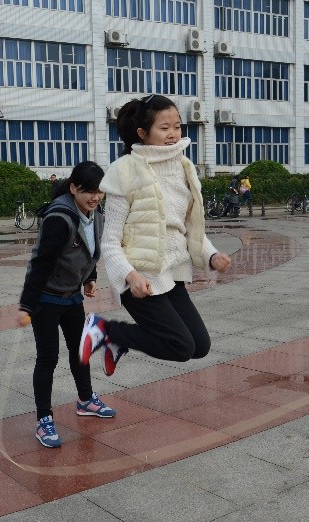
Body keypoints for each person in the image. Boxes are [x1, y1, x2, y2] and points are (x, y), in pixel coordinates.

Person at [78, 94, 232, 377]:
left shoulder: (185, 167)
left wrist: (211, 255)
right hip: (141, 278)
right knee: (181, 346)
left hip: (172, 275)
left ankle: (116, 341)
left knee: (200, 346)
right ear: (142, 132)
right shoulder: (125, 170)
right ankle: (105, 329)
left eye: (177, 126)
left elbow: (189, 227)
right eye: (164, 127)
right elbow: (110, 242)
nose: (173, 134)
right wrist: (131, 276)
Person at [17, 161, 116, 448]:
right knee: (48, 358)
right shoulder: (59, 218)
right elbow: (41, 262)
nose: (95, 197)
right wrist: (27, 304)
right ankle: (44, 419)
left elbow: (91, 250)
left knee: (80, 350)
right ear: (73, 188)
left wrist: (90, 278)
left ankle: (85, 400)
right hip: (46, 299)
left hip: (72, 296)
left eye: (100, 192)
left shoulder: (96, 214)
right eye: (89, 192)